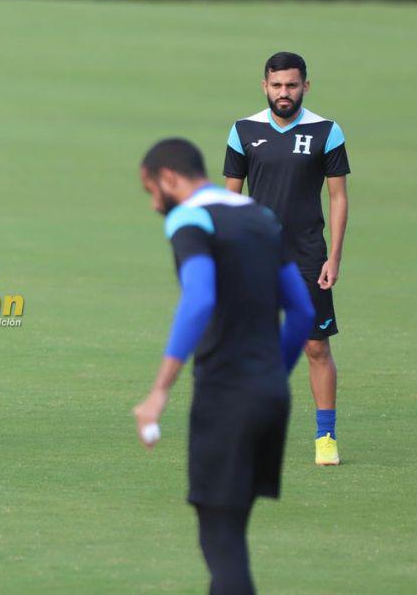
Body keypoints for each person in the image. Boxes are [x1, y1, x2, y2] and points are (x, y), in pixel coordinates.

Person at [133, 138, 314, 594]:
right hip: (271, 393)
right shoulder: (260, 216)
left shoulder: (189, 219)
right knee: (231, 534)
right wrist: (274, 372)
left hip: (226, 396)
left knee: (222, 541)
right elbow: (302, 313)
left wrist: (160, 390)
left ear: (169, 178)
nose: (153, 201)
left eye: (151, 189)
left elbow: (199, 299)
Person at [223, 52, 350, 466]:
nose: (284, 93)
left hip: (309, 256)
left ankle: (325, 437)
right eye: (277, 86)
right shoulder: (243, 130)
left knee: (316, 346)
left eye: (292, 85)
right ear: (265, 86)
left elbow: (338, 198)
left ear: (305, 86)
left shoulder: (326, 132)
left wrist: (334, 256)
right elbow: (230, 197)